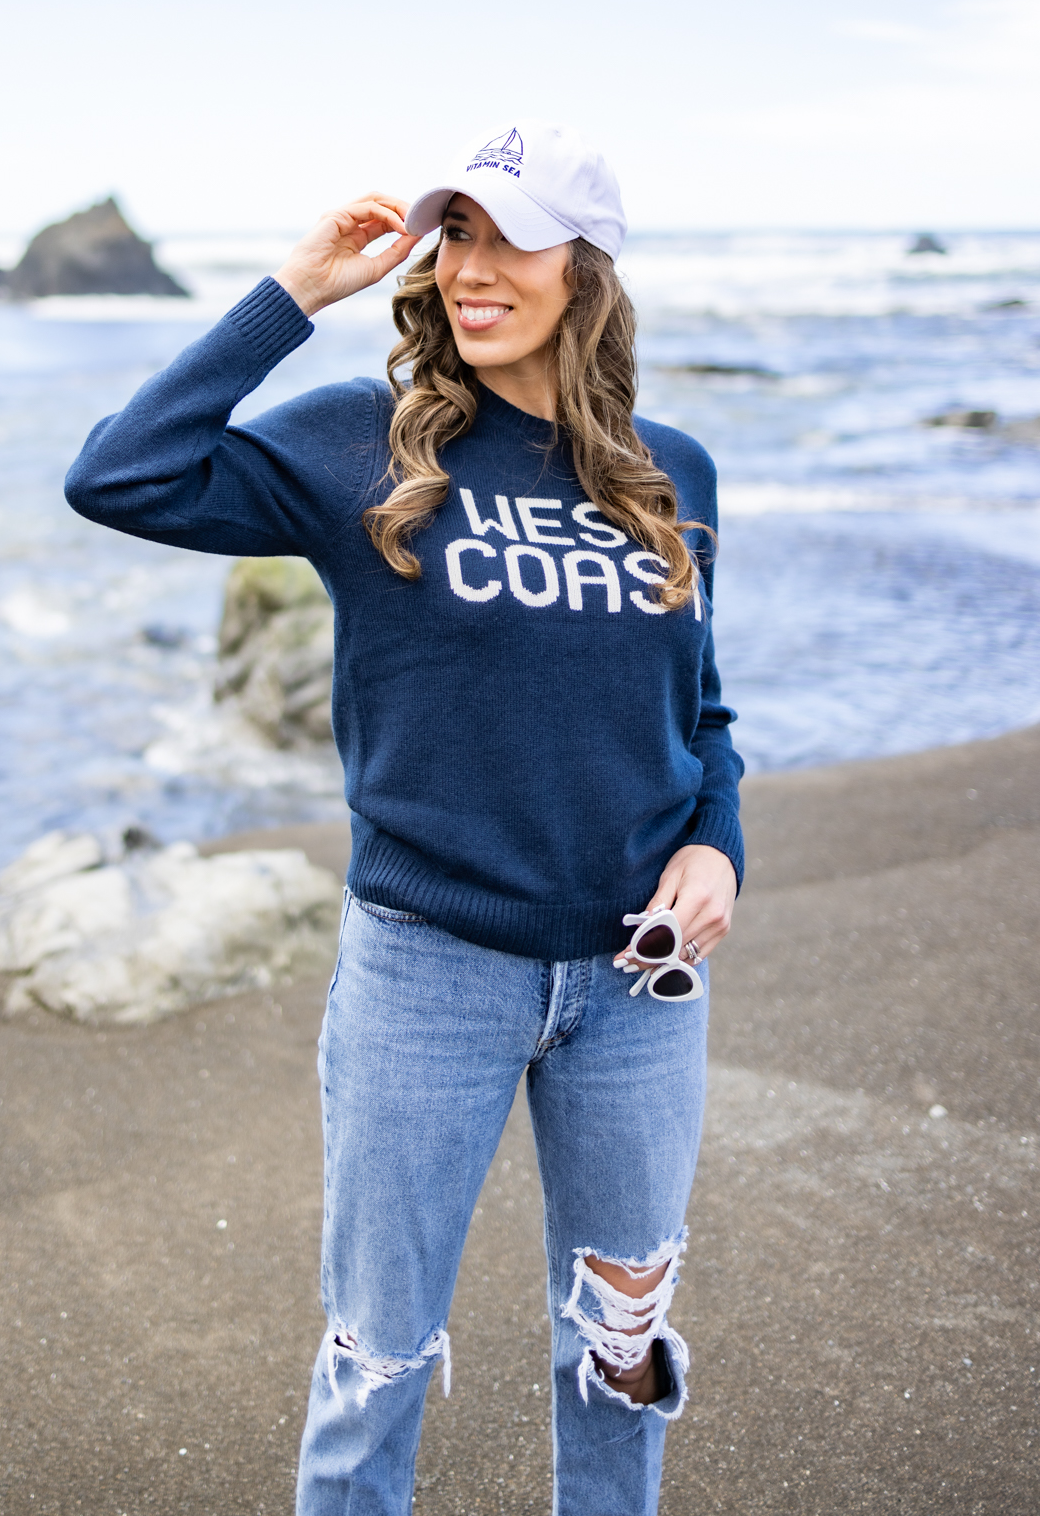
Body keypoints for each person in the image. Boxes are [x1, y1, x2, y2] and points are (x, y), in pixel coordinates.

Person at [64, 122, 743, 1516]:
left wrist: (716, 845)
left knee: (620, 1351)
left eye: (511, 240)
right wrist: (294, 293)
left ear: (587, 268)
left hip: (640, 985)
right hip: (429, 975)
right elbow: (118, 475)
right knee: (377, 1361)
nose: (472, 270)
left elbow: (703, 711)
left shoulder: (671, 470)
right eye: (457, 237)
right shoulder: (361, 448)